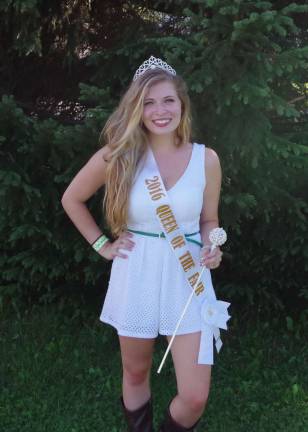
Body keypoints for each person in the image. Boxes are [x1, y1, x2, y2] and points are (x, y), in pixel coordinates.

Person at [61, 56, 224, 432]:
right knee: (135, 372)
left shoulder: (206, 160)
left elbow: (208, 220)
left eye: (167, 100)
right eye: (148, 102)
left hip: (188, 280)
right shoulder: (118, 156)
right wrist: (102, 244)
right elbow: (72, 199)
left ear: (181, 103)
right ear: (136, 108)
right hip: (136, 273)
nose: (159, 111)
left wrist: (213, 246)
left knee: (195, 395)